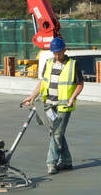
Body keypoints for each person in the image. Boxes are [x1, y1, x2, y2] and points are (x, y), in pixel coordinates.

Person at [21, 37, 83, 175]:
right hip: (49, 105)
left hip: (64, 106)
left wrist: (73, 98)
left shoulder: (73, 65)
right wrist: (32, 97)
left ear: (64, 50)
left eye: (59, 53)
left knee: (57, 134)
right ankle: (66, 161)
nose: (56, 56)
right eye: (54, 53)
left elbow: (80, 84)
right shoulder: (49, 63)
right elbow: (43, 82)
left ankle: (51, 163)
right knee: (56, 134)